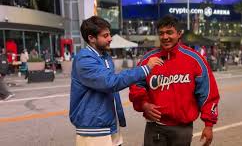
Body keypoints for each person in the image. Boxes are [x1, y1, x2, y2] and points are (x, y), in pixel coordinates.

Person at [69, 16, 163, 146]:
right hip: (93, 129)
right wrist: (145, 69)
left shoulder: (104, 56)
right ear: (91, 38)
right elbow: (110, 82)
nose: (110, 38)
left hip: (110, 125)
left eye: (110, 34)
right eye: (105, 35)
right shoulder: (84, 59)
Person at [129, 15, 220, 146]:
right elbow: (136, 85)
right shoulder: (147, 60)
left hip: (183, 129)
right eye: (161, 33)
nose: (165, 37)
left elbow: (208, 93)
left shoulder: (195, 60)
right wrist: (143, 104)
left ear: (179, 34)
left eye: (169, 32)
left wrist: (209, 125)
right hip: (155, 127)